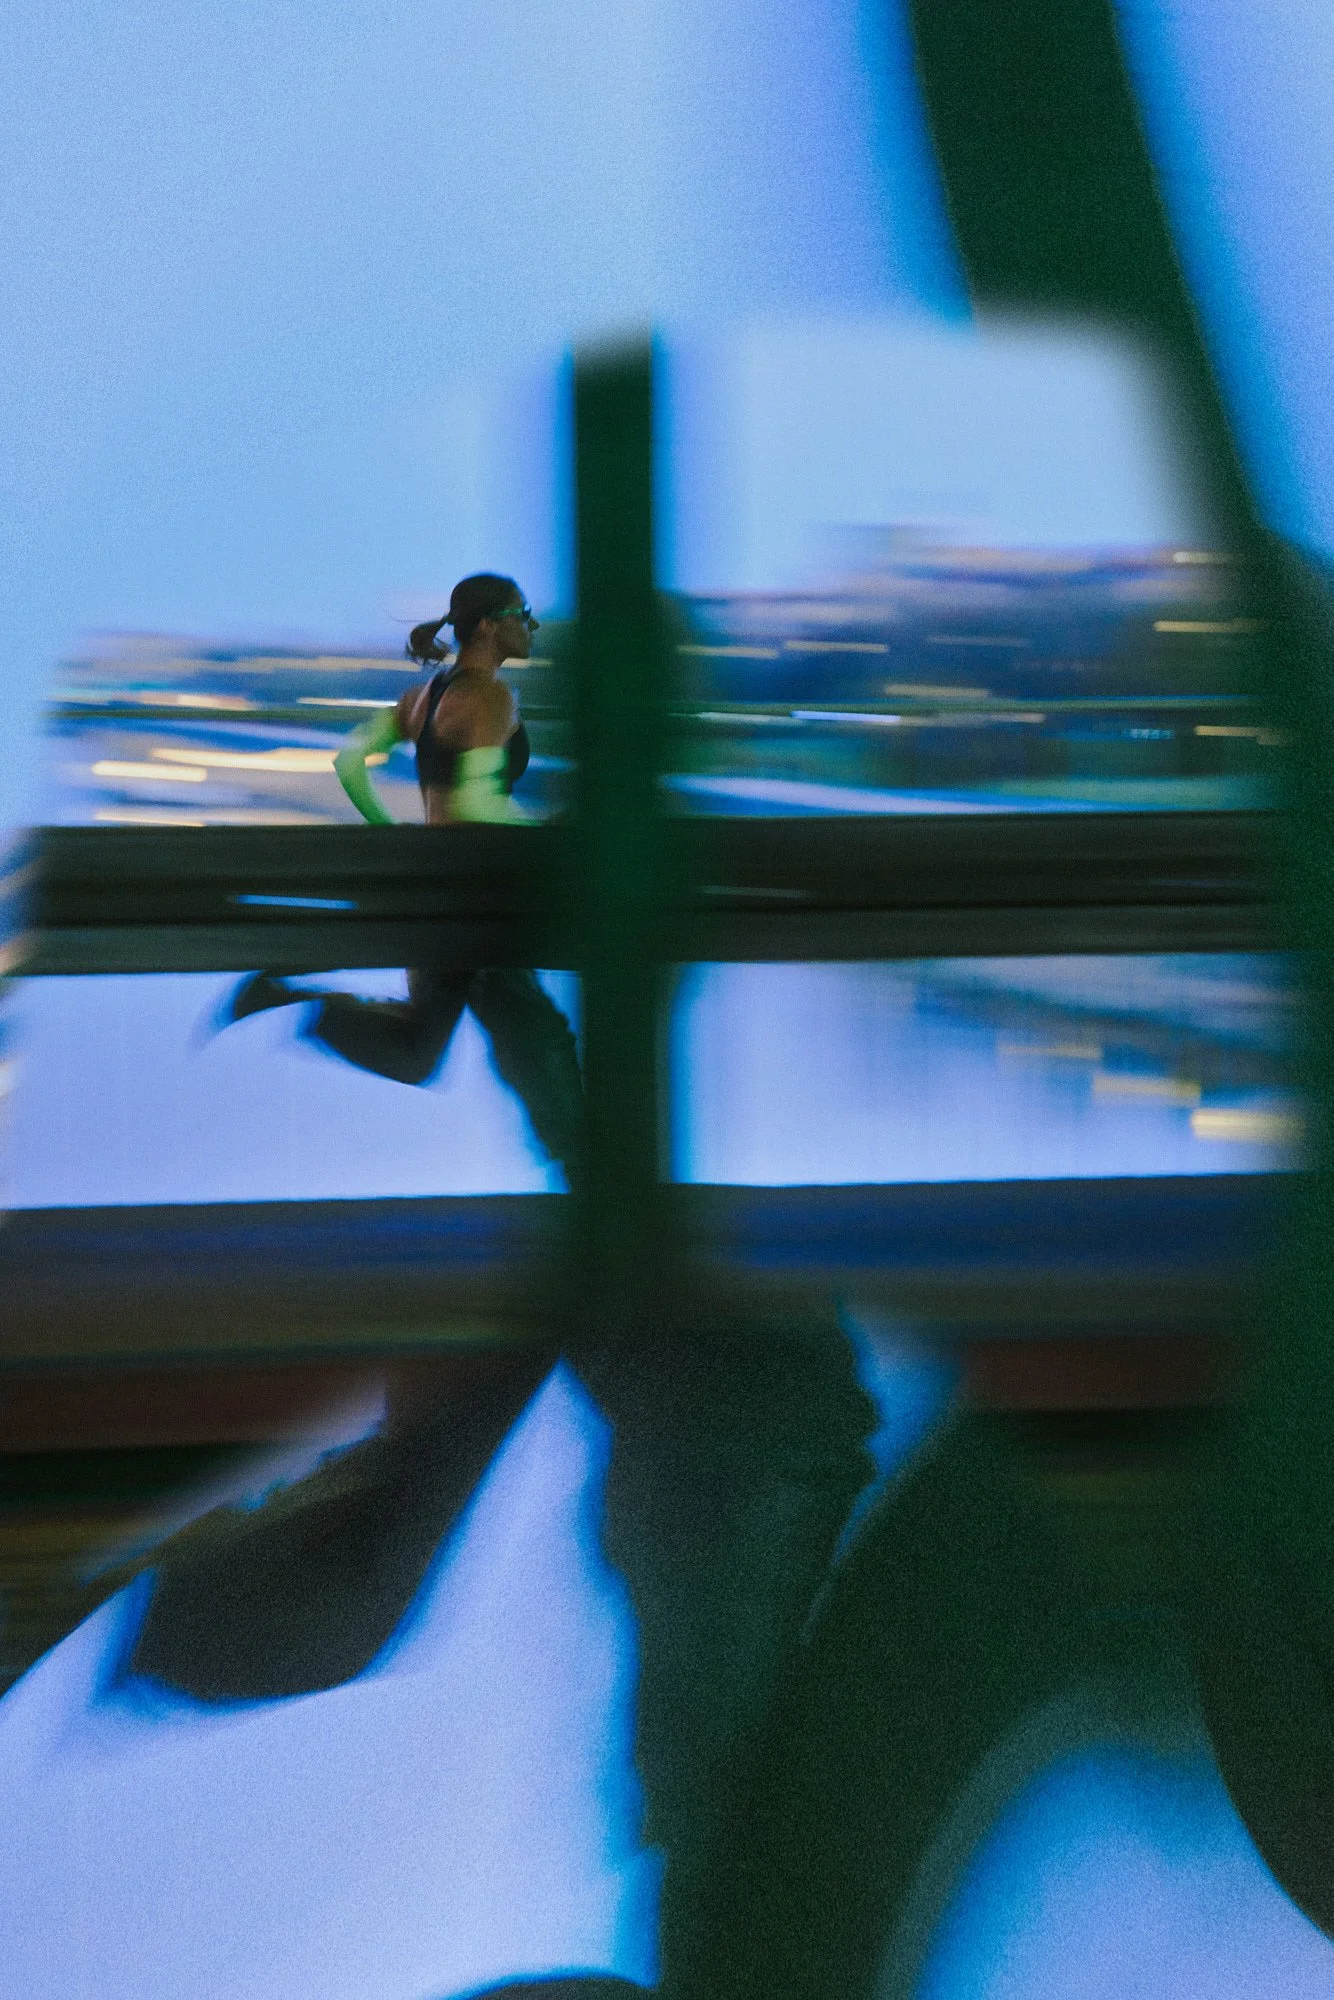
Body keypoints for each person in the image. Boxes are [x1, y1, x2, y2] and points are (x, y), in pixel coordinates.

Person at [216, 573, 584, 1186]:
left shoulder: (423, 697)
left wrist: (396, 834)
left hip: (434, 890)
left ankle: (293, 999)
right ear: (488, 625)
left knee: (419, 1051)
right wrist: (545, 831)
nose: (532, 624)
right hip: (477, 897)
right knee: (536, 1041)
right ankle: (588, 1178)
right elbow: (478, 806)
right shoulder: (491, 697)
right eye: (522, 613)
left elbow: (348, 761)